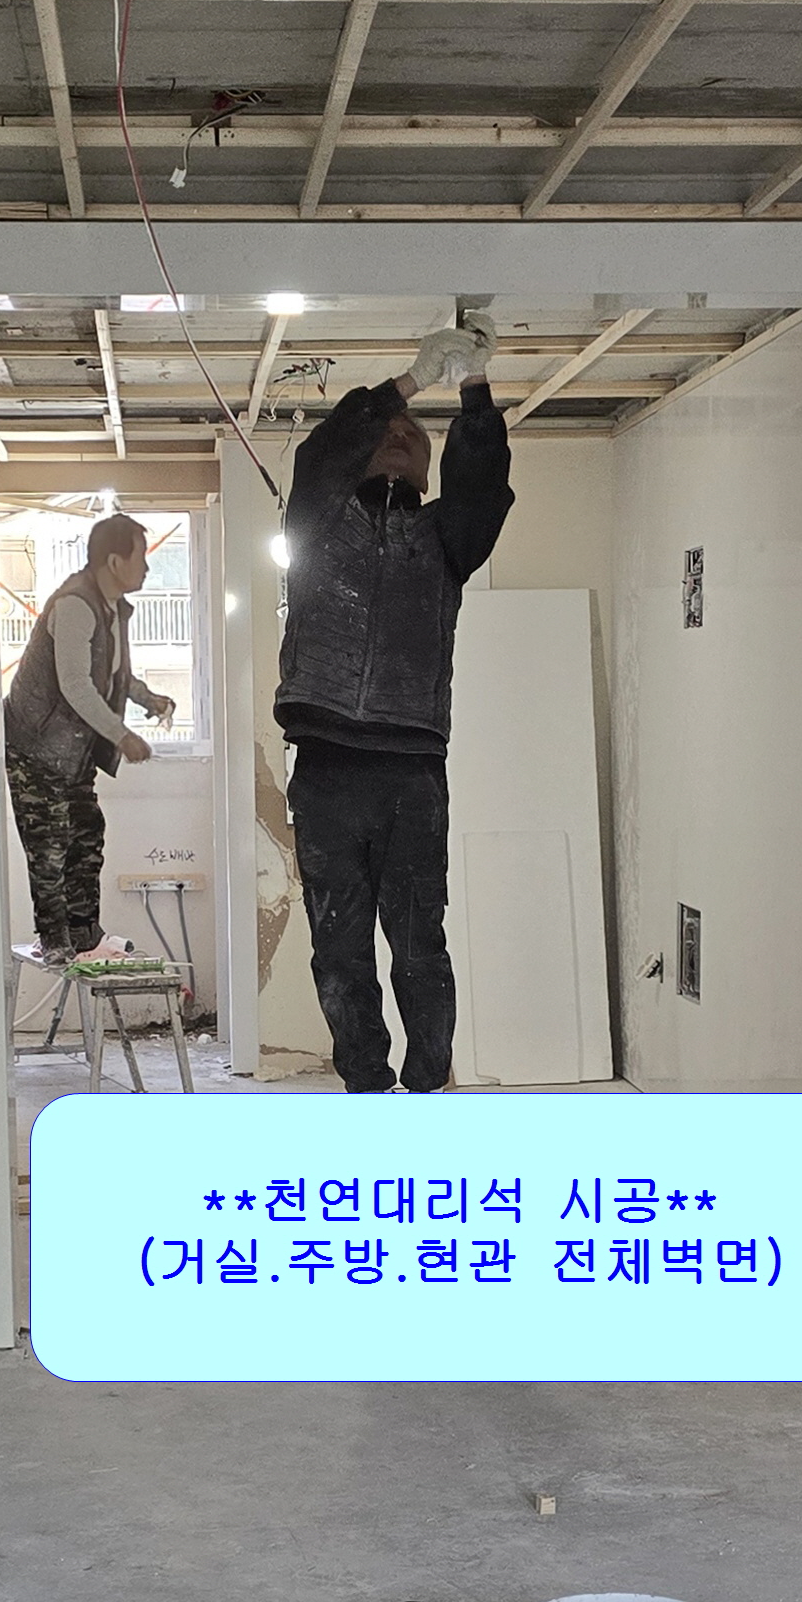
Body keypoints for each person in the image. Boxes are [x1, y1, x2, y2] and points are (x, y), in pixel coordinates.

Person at [274, 319, 514, 1092]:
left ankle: (430, 1085)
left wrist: (473, 388)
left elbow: (484, 486)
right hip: (327, 771)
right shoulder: (318, 524)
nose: (403, 433)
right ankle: (367, 1088)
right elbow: (321, 454)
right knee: (338, 947)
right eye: (390, 428)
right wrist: (406, 383)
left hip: (411, 773)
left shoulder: (444, 538)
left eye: (415, 432)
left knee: (419, 945)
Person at [0, 513, 178, 962]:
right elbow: (76, 685)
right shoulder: (75, 606)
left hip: (74, 751)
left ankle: (83, 935)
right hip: (35, 747)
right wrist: (122, 736)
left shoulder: (113, 608)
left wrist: (147, 699)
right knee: (50, 845)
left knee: (87, 834)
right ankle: (55, 940)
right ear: (115, 561)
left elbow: (113, 673)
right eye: (141, 557)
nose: (147, 568)